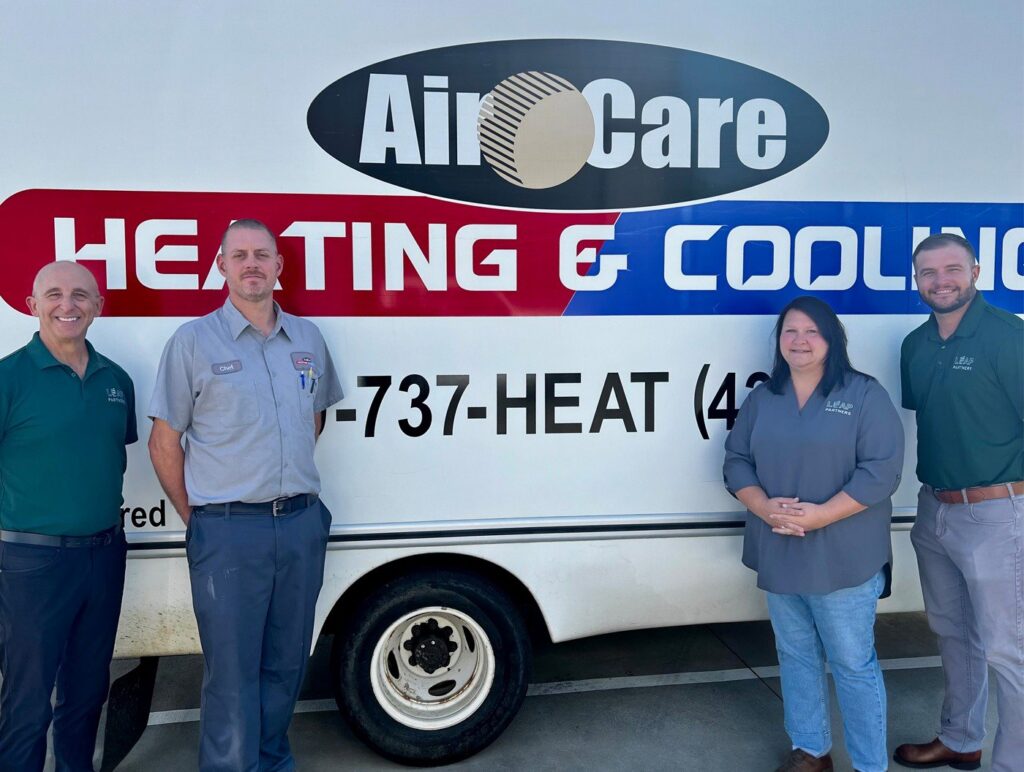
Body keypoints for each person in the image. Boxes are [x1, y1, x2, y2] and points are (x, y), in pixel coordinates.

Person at [147, 219, 343, 771]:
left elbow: (314, 420)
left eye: (262, 254)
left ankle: (272, 762)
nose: (252, 264)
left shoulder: (307, 338)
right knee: (232, 671)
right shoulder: (192, 341)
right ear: (221, 265)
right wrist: (201, 515)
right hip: (229, 530)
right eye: (240, 255)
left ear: (280, 265)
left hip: (301, 523)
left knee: (286, 662)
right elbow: (164, 442)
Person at [724, 295, 905, 772]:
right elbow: (736, 459)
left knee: (852, 664)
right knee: (796, 655)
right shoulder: (765, 397)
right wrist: (761, 505)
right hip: (781, 549)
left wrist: (820, 516)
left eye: (811, 332)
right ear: (778, 340)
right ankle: (811, 751)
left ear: (832, 339)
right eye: (790, 331)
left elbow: (881, 471)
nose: (799, 341)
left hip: (845, 556)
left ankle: (869, 765)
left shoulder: (864, 394)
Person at [893, 233, 1023, 772]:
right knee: (954, 634)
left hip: (997, 513)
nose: (940, 281)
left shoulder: (1007, 337)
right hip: (935, 511)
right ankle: (961, 738)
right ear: (916, 279)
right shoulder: (915, 345)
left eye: (951, 269)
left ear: (975, 270)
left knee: (1007, 649)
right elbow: (933, 417)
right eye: (928, 272)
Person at [0, 262, 136, 772]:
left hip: (104, 557)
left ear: (98, 306)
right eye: (53, 294)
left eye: (81, 295)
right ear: (32, 304)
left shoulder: (116, 380)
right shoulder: (8, 377)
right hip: (32, 562)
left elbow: (107, 456)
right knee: (27, 701)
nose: (67, 304)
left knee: (85, 693)